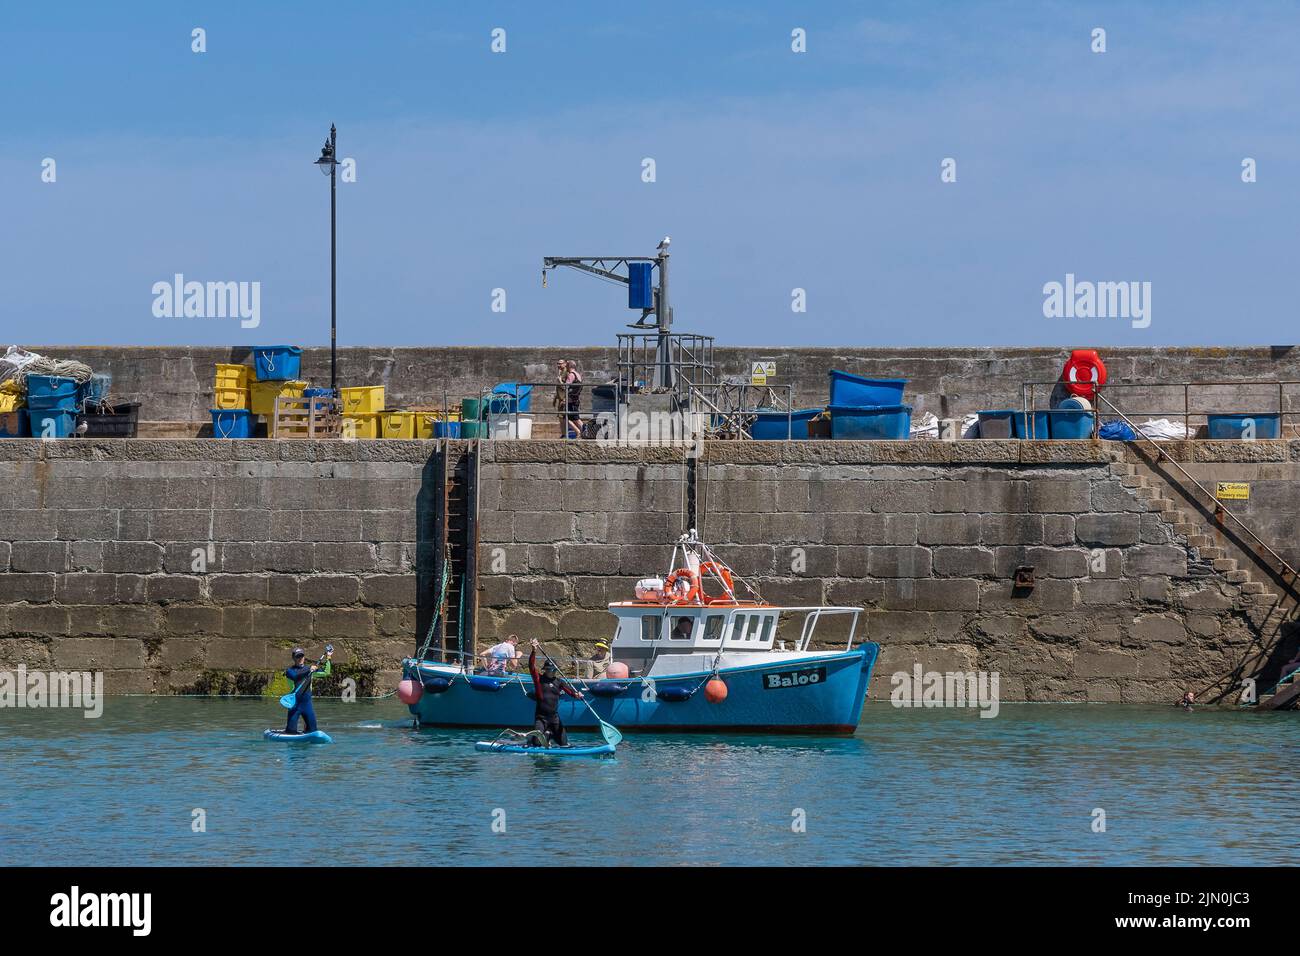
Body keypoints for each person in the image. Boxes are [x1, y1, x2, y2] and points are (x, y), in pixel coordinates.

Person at [528, 638, 583, 747]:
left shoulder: (559, 682)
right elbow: (531, 667)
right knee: (536, 744)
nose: (549, 671)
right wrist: (534, 650)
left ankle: (550, 735)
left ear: (555, 670)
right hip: (541, 718)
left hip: (554, 718)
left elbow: (570, 692)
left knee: (564, 744)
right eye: (547, 669)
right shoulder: (539, 679)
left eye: (551, 670)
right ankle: (543, 736)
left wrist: (577, 695)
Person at [284, 646, 332, 734]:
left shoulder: (310, 669)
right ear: (293, 658)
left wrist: (328, 658)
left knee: (313, 730)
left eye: (301, 656)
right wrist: (309, 670)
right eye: (298, 656)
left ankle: (307, 731)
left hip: (307, 705)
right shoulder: (289, 671)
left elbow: (326, 672)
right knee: (290, 731)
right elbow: (296, 676)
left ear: (304, 657)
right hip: (294, 705)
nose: (300, 658)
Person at [563, 360, 583, 439]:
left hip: (571, 400)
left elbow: (566, 387)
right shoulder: (578, 374)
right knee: (571, 418)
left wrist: (560, 381)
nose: (566, 367)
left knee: (574, 419)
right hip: (575, 399)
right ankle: (581, 432)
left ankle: (580, 432)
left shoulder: (571, 375)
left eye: (566, 366)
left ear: (569, 366)